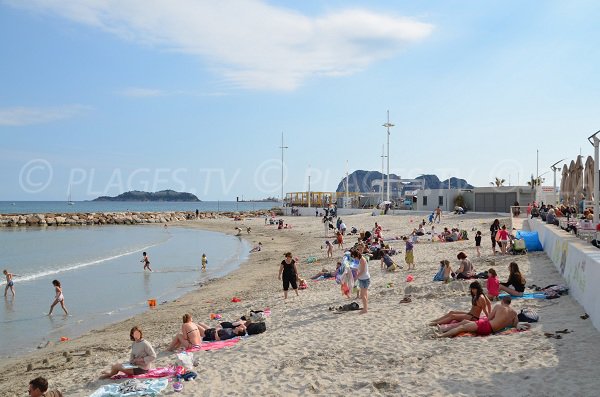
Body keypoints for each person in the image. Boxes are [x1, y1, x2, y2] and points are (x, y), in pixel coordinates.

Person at [435, 296, 518, 338]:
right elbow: (515, 324)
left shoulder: (498, 306)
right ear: (509, 303)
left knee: (462, 327)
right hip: (490, 328)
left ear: (502, 301)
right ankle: (443, 329)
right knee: (465, 322)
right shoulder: (514, 313)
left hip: (487, 326)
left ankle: (441, 336)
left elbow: (489, 318)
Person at [353, 250, 370, 314]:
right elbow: (358, 269)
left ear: (357, 255)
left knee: (362, 295)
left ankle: (365, 309)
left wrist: (356, 277)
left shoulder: (362, 260)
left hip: (365, 279)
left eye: (354, 257)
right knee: (364, 294)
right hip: (363, 278)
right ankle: (365, 307)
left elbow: (362, 271)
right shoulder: (360, 259)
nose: (354, 258)